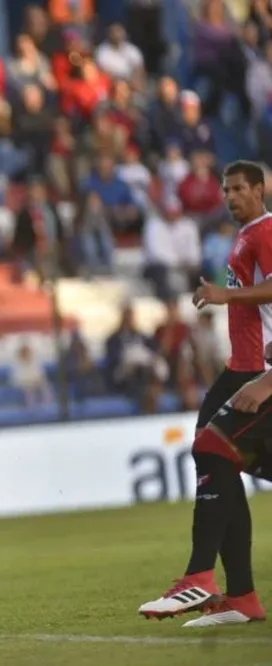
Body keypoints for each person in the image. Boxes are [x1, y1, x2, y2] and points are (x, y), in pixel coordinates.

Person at [138, 160, 271, 627]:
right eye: (225, 189)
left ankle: (204, 578)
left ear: (260, 189)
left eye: (239, 188)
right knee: (214, 455)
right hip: (242, 365)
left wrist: (225, 296)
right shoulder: (243, 236)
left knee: (214, 449)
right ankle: (241, 596)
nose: (230, 196)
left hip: (256, 368)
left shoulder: (265, 232)